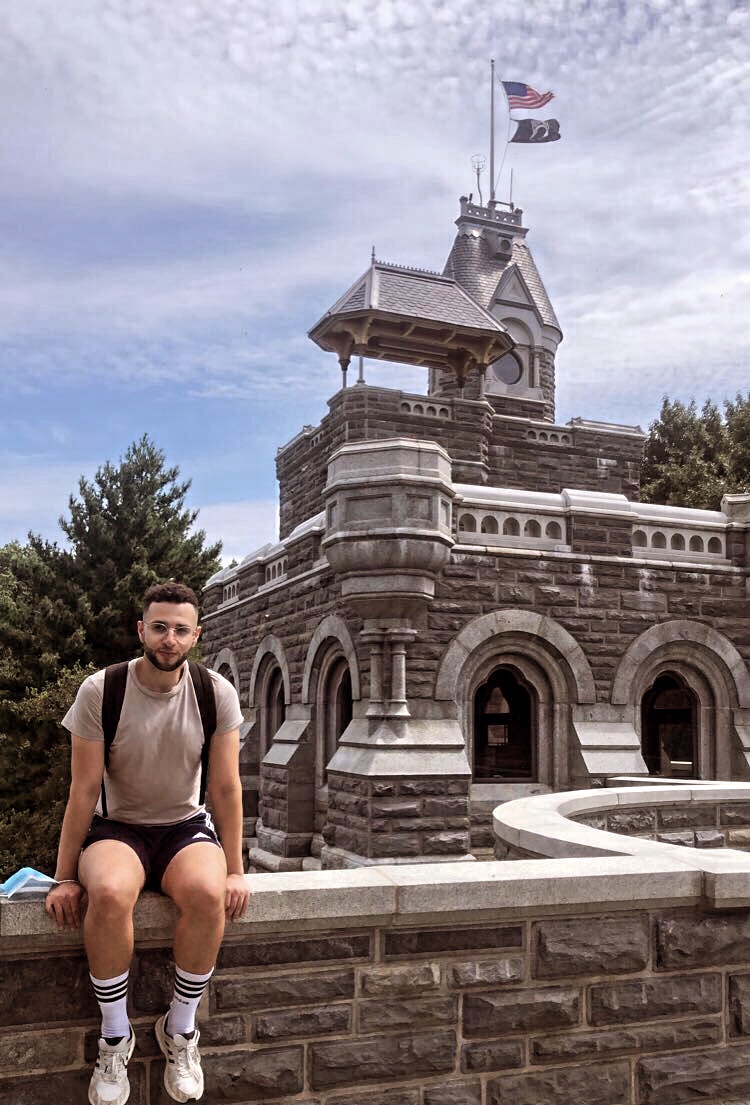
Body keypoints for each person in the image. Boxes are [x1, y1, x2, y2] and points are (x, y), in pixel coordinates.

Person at [45, 581, 250, 1105]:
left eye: (181, 629)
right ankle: (115, 1036)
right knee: (110, 894)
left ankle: (179, 1029)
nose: (169, 639)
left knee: (208, 896)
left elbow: (225, 788)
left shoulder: (215, 693)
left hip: (185, 827)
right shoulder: (102, 690)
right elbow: (83, 789)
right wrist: (65, 876)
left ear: (196, 636)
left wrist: (236, 869)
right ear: (141, 630)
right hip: (119, 829)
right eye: (159, 627)